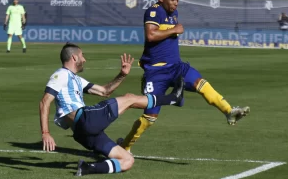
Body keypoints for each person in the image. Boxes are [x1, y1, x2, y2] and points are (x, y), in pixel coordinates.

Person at [118, 0, 250, 153]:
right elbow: (151, 35)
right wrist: (174, 30)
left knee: (201, 83)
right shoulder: (154, 11)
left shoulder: (174, 14)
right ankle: (125, 147)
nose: (175, 3)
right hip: (156, 72)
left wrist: (174, 29)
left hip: (177, 67)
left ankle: (228, 111)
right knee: (150, 117)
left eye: (177, 0)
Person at [39, 43, 184, 176]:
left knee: (127, 160)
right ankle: (172, 99)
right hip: (85, 119)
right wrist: (45, 132)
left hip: (82, 132)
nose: (84, 59)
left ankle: (87, 168)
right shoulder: (61, 75)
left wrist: (122, 75)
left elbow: (104, 91)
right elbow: (45, 101)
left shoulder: (76, 79)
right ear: (74, 57)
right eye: (82, 55)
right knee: (129, 98)